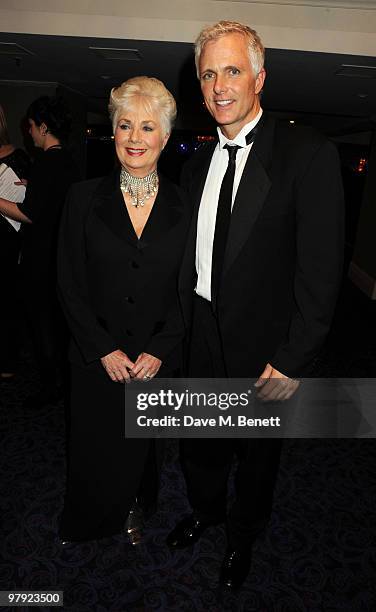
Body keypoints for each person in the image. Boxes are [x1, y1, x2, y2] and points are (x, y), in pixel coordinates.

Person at [167, 21, 344, 589]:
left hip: (266, 351)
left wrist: (293, 359)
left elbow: (320, 273)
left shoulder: (306, 153)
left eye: (232, 70)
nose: (219, 85)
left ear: (259, 77)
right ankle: (206, 512)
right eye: (209, 73)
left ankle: (242, 537)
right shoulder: (193, 165)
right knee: (200, 444)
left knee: (257, 458)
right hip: (200, 339)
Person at [57, 76, 190, 543]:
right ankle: (91, 517)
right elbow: (68, 283)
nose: (135, 138)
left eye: (147, 127)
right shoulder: (82, 198)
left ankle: (138, 502)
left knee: (142, 445)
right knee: (93, 443)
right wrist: (101, 349)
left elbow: (189, 290)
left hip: (154, 355)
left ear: (165, 137)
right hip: (96, 353)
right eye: (125, 126)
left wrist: (161, 348)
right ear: (112, 132)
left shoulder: (186, 206)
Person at [0, 96, 78, 407]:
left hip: (39, 258)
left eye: (32, 126)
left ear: (44, 127)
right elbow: (55, 198)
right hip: (57, 256)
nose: (29, 132)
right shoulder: (66, 161)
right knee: (52, 323)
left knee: (41, 323)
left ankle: (51, 388)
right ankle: (57, 383)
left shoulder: (47, 161)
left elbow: (29, 213)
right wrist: (34, 184)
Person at [0, 104, 30, 380]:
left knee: (7, 301)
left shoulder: (19, 157)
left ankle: (8, 360)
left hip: (9, 239)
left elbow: (34, 207)